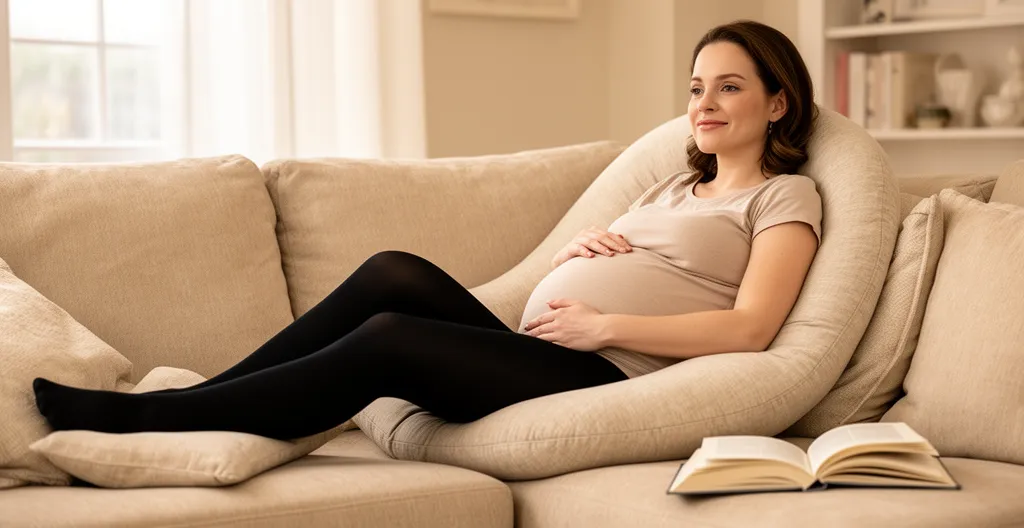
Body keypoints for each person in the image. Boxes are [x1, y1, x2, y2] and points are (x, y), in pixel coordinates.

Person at [33, 20, 822, 442]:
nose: (704, 104)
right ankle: (214, 393)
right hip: (545, 348)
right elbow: (628, 253)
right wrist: (587, 252)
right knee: (393, 270)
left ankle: (152, 419)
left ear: (777, 102)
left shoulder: (783, 199)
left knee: (390, 338)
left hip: (606, 374)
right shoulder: (673, 183)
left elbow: (751, 328)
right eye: (695, 88)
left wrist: (606, 321)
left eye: (728, 87)